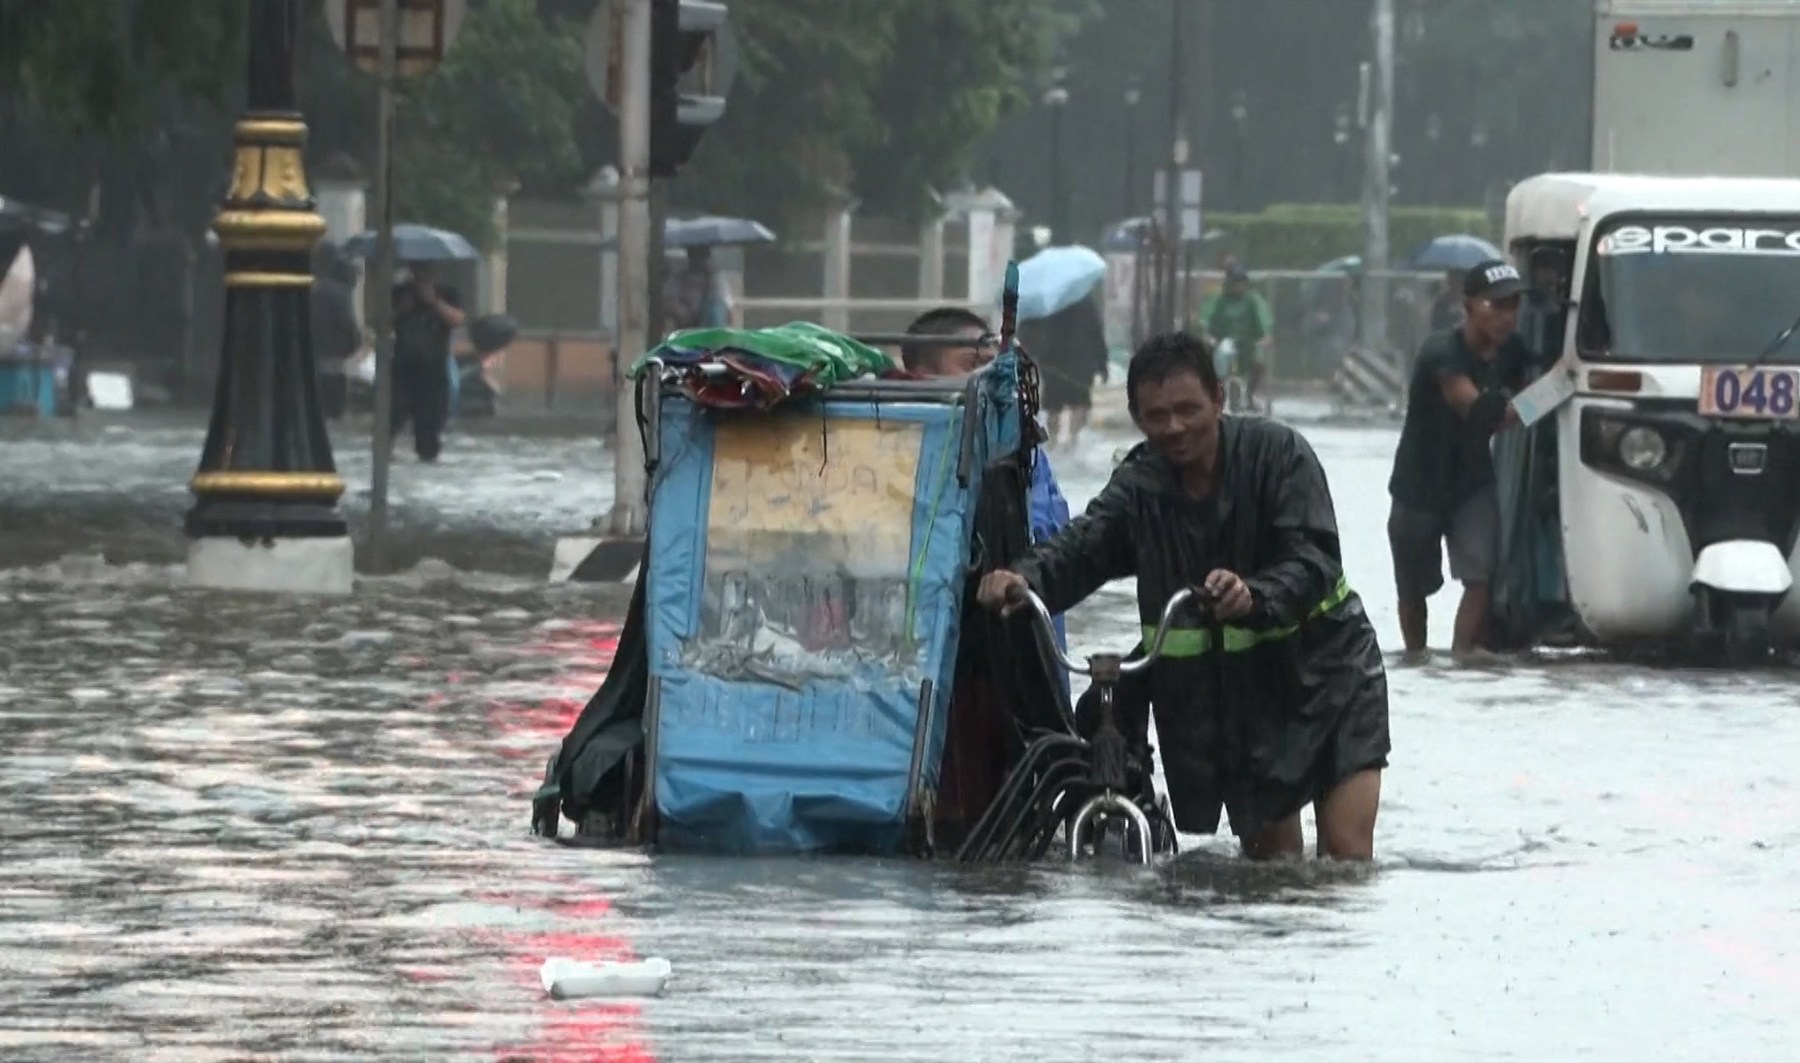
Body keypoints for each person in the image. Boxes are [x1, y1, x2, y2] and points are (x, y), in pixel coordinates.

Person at [976, 331, 1390, 862]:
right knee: (1271, 866)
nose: (1174, 427)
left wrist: (1255, 595)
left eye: (1188, 409)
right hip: (1242, 699)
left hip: (1330, 674)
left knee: (1347, 855)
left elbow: (1314, 558)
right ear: (1136, 416)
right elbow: (1084, 545)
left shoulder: (1281, 455)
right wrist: (1024, 578)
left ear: (1219, 398)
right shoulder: (1138, 486)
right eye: (1157, 415)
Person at [901, 307, 1073, 656]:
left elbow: (1054, 537)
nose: (990, 374)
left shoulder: (1022, 449)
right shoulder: (895, 439)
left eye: (994, 362)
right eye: (972, 363)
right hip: (920, 640)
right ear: (921, 376)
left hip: (1004, 632)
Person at [1386, 259, 1532, 659]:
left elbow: (1524, 391)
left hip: (1472, 483)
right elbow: (1477, 411)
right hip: (1419, 484)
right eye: (1495, 305)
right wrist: (1542, 399)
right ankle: (1416, 658)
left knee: (1480, 573)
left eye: (1513, 306)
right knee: (1413, 589)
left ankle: (1462, 656)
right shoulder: (1441, 352)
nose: (1505, 317)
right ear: (1467, 306)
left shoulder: (1513, 351)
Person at [390, 262, 465, 462]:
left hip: (433, 368)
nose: (421, 274)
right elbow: (383, 321)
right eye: (418, 270)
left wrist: (434, 301)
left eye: (426, 270)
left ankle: (428, 454)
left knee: (429, 424)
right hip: (403, 366)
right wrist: (401, 309)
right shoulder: (400, 291)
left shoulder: (448, 292)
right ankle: (386, 455)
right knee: (393, 415)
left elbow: (457, 319)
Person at [1017, 292, 1108, 451]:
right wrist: (1102, 364)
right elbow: (1096, 333)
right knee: (1079, 402)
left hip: (1054, 362)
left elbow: (1028, 330)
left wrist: (1031, 354)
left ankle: (1054, 442)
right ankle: (1074, 440)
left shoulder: (1047, 301)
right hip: (1079, 362)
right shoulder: (1084, 300)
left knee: (1055, 404)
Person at [1197, 263, 1274, 410]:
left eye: (1242, 283)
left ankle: (1250, 396)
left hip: (1248, 343)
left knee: (1259, 361)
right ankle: (1216, 393)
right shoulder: (1218, 299)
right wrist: (1207, 335)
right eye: (1236, 283)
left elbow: (1263, 320)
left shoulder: (1252, 300)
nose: (1239, 286)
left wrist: (1266, 335)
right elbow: (1206, 319)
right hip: (1223, 342)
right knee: (1218, 359)